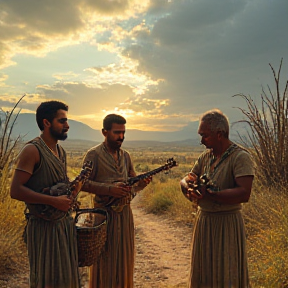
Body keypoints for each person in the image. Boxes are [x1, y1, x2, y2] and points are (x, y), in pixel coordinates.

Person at [180, 109, 254, 288]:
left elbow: (244, 193)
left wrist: (212, 194)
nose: (201, 141)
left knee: (227, 272)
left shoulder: (240, 157)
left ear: (219, 134)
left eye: (205, 136)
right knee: (203, 272)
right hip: (204, 222)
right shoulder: (206, 157)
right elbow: (186, 178)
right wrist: (189, 189)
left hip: (227, 224)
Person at [10, 100, 81, 288]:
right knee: (47, 279)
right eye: (62, 121)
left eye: (66, 120)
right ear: (46, 123)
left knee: (67, 278)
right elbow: (15, 190)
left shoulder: (61, 151)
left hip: (63, 226)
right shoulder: (32, 150)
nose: (67, 125)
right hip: (42, 229)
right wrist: (53, 201)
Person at [81, 113, 151, 288]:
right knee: (104, 260)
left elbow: (132, 182)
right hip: (102, 217)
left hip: (124, 216)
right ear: (104, 132)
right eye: (117, 132)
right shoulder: (93, 155)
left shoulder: (125, 156)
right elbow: (83, 184)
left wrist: (140, 184)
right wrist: (110, 189)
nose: (121, 137)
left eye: (123, 132)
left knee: (124, 257)